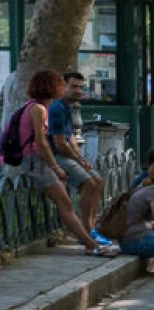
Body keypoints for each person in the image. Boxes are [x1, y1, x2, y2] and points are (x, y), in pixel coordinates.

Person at [8, 69, 119, 256]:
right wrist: (55, 167)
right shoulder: (39, 110)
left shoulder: (34, 106)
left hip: (36, 161)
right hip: (36, 163)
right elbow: (42, 143)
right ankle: (92, 246)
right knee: (65, 206)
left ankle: (91, 242)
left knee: (66, 204)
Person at [47, 70, 106, 242]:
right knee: (88, 183)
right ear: (62, 85)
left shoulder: (67, 107)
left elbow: (70, 137)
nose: (78, 91)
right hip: (56, 156)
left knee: (98, 181)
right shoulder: (56, 108)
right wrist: (78, 160)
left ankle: (91, 226)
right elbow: (60, 144)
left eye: (81, 87)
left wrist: (81, 159)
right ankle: (86, 231)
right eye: (73, 87)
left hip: (67, 155)